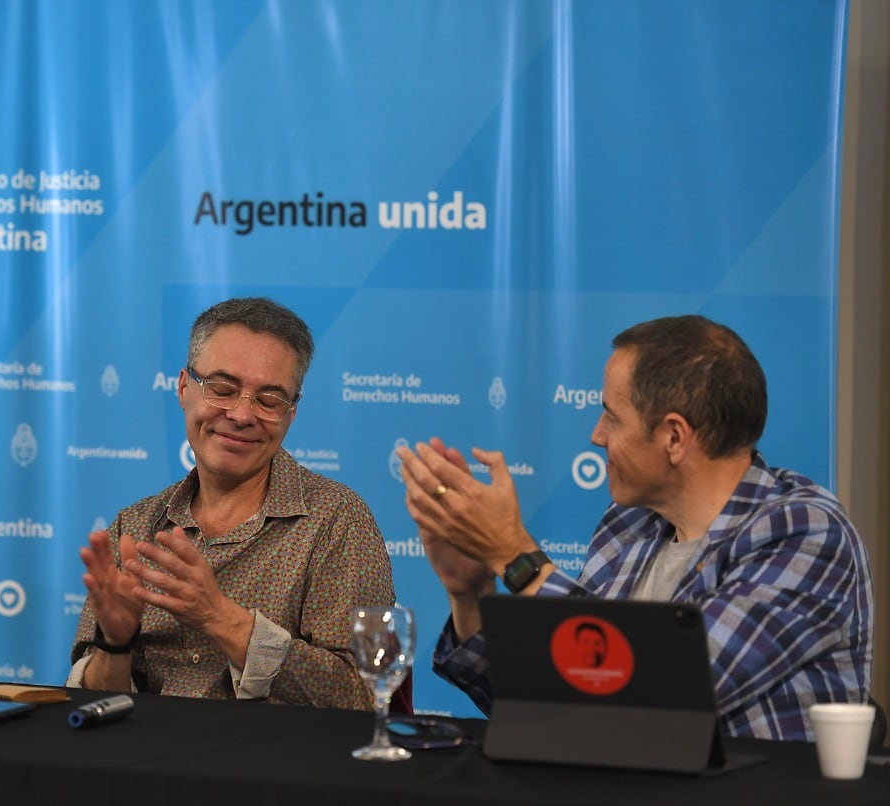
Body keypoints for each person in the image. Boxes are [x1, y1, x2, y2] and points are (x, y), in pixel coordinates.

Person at [396, 314, 872, 741]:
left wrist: (517, 557)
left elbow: (672, 693)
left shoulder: (803, 529)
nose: (596, 435)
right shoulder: (630, 525)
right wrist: (473, 593)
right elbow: (564, 704)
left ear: (673, 437)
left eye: (612, 416)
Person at [68, 297, 395, 708]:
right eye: (223, 389)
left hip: (272, 768)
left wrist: (221, 618)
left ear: (291, 413)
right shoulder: (134, 527)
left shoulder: (338, 521)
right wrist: (114, 645)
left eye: (269, 400)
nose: (242, 414)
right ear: (184, 388)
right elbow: (93, 708)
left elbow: (365, 696)